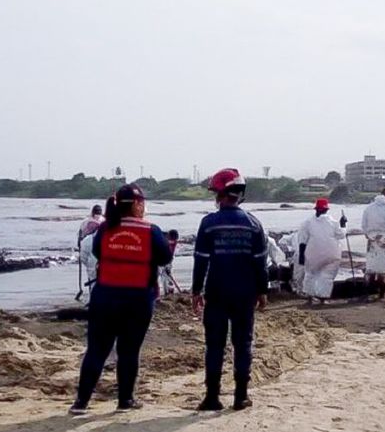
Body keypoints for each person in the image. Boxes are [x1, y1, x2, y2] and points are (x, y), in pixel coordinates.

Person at [70, 184, 173, 415]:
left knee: (96, 350)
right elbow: (165, 256)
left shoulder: (106, 228)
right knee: (129, 351)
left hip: (105, 296)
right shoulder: (151, 230)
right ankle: (125, 401)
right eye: (142, 203)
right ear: (137, 204)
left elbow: (97, 252)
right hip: (137, 299)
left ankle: (81, 402)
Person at [193, 168, 268, 411]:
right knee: (242, 343)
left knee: (214, 344)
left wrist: (196, 292)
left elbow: (201, 261)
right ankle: (240, 396)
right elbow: (260, 262)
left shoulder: (208, 223)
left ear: (221, 194)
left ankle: (212, 397)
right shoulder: (254, 224)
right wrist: (262, 290)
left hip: (216, 292)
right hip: (245, 294)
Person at [298, 198, 347, 304]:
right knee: (327, 276)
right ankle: (322, 299)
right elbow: (342, 235)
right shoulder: (333, 222)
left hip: (313, 254)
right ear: (326, 210)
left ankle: (310, 298)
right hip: (331, 254)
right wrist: (343, 224)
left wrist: (301, 256)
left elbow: (302, 240)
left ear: (316, 209)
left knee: (310, 274)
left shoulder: (307, 222)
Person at [158, 229, 180, 296]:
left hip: (168, 259)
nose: (173, 241)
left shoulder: (173, 243)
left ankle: (170, 290)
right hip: (159, 258)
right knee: (161, 275)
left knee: (167, 274)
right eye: (171, 239)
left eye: (174, 240)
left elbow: (171, 253)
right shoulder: (161, 237)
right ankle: (165, 292)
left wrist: (167, 264)